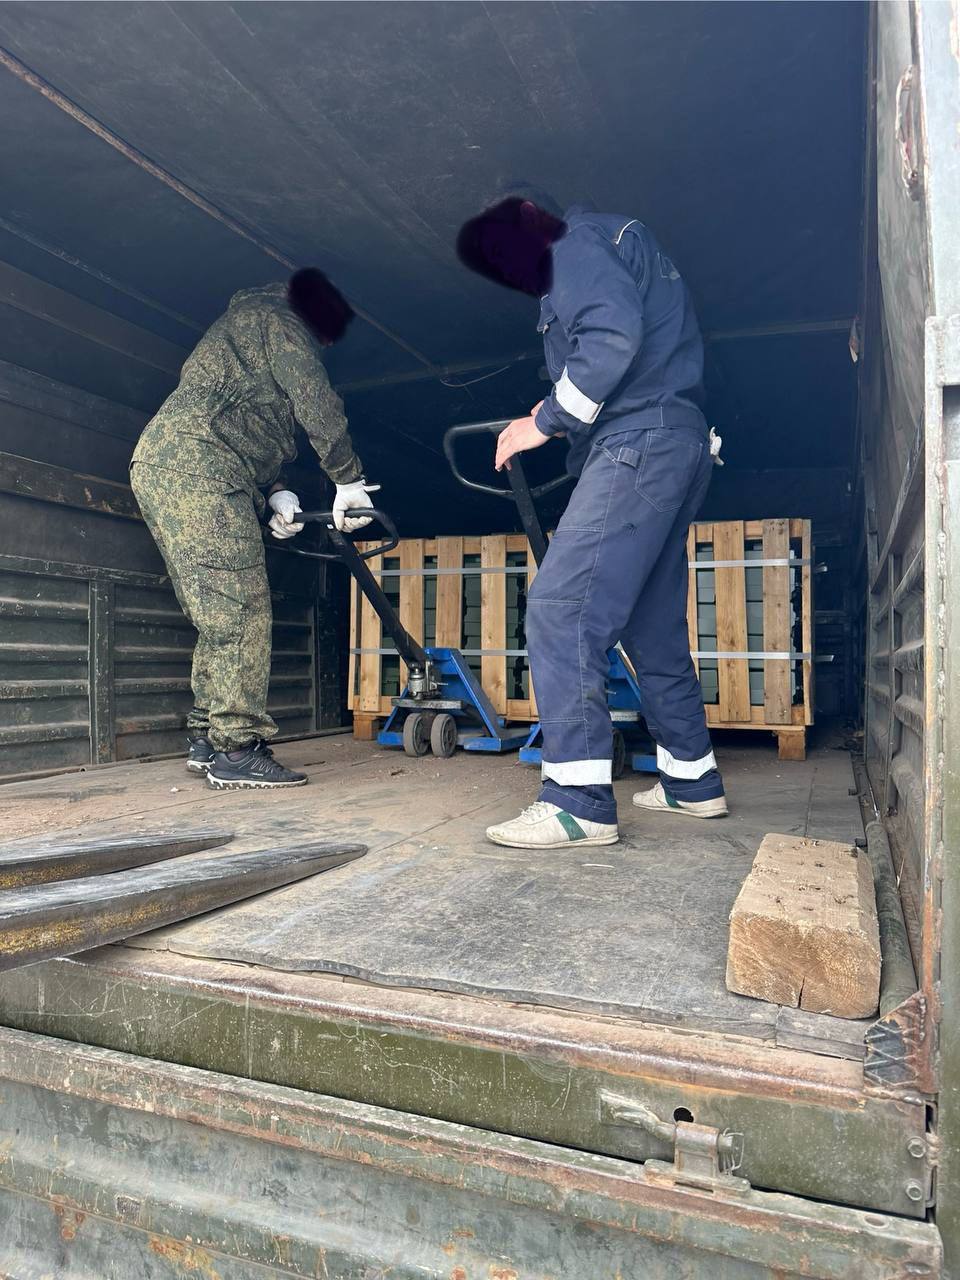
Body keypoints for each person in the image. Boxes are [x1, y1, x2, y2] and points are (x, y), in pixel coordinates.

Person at [456, 192, 727, 848]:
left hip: (638, 444)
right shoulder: (614, 240)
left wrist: (541, 422)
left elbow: (609, 336)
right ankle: (693, 782)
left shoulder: (570, 243)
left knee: (562, 607)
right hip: (675, 441)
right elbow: (625, 347)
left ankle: (577, 802)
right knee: (650, 624)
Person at [130, 269, 378, 791]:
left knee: (217, 611)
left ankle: (206, 738)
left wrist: (276, 491)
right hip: (201, 468)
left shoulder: (246, 327)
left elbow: (251, 422)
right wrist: (348, 478)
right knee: (241, 609)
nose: (328, 342)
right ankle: (238, 748)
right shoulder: (279, 321)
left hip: (180, 466)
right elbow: (315, 400)